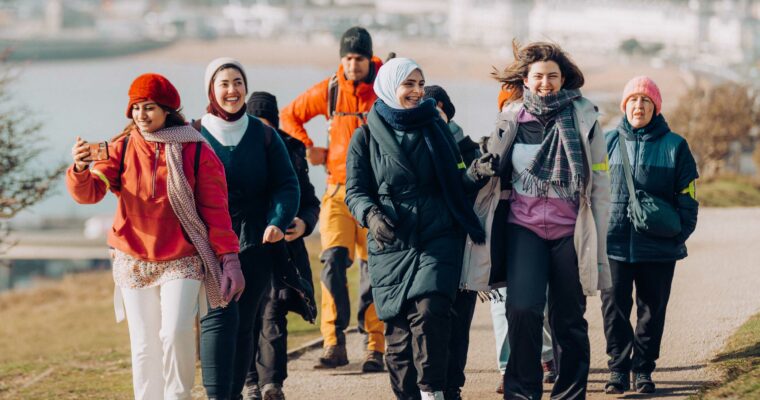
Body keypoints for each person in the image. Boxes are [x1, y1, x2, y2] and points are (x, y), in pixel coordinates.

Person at [66, 73, 242, 400]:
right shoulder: (120, 147)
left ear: (167, 110)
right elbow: (91, 193)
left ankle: (178, 396)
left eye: (149, 108)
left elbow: (215, 209)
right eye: (135, 108)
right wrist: (79, 170)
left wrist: (229, 258)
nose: (141, 115)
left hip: (183, 257)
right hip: (132, 257)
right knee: (144, 344)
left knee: (174, 332)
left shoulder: (196, 150)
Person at [345, 57, 497, 400]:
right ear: (388, 87)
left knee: (431, 313)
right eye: (408, 84)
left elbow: (453, 182)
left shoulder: (435, 126)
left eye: (420, 83)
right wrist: (370, 215)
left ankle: (433, 391)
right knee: (397, 338)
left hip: (437, 235)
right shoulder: (364, 136)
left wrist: (474, 174)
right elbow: (354, 192)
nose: (416, 91)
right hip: (391, 242)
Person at [473, 40, 612, 399]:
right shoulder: (511, 118)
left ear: (564, 79)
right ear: (525, 79)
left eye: (552, 76)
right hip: (524, 229)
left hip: (571, 230)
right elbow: (493, 169)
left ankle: (569, 393)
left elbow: (599, 181)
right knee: (521, 309)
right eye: (538, 76)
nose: (545, 83)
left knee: (568, 318)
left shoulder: (584, 117)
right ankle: (521, 392)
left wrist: (599, 237)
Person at [280, 26, 385, 371]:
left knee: (376, 269)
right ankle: (333, 343)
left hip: (375, 196)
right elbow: (289, 115)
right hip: (337, 191)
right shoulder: (330, 90)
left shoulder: (384, 90)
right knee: (332, 262)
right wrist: (311, 149)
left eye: (359, 58)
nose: (353, 64)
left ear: (369, 58)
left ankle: (376, 346)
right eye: (348, 58)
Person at [195, 58, 300, 400]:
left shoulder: (264, 133)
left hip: (255, 239)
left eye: (238, 82)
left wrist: (277, 221)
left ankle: (235, 393)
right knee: (217, 319)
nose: (232, 90)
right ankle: (218, 394)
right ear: (211, 89)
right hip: (208, 240)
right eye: (224, 83)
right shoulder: (193, 132)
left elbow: (288, 184)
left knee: (244, 323)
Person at [601, 76, 699, 394]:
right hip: (614, 243)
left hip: (658, 248)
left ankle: (643, 370)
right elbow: (591, 192)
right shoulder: (606, 142)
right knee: (614, 308)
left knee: (651, 311)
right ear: (624, 105)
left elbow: (689, 197)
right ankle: (618, 369)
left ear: (655, 107)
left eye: (646, 101)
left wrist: (678, 235)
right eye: (633, 100)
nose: (638, 106)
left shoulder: (676, 146)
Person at [243, 91, 321, 400]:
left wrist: (303, 224)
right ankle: (250, 383)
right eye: (256, 123)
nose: (262, 131)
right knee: (248, 316)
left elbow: (310, 201)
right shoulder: (233, 152)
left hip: (283, 252)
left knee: (273, 311)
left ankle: (272, 384)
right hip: (245, 246)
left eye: (267, 124)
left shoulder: (292, 152)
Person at [489, 87, 557, 395]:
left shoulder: (543, 137)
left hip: (533, 231)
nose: (514, 110)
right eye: (508, 105)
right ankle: (508, 367)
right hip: (502, 233)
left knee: (534, 304)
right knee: (503, 304)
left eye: (519, 104)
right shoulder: (498, 137)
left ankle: (544, 355)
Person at [421, 84, 479, 400]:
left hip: (464, 246)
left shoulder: (469, 148)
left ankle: (452, 385)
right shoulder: (418, 145)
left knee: (459, 319)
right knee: (430, 316)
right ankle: (431, 384)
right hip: (429, 246)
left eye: (436, 106)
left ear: (444, 108)